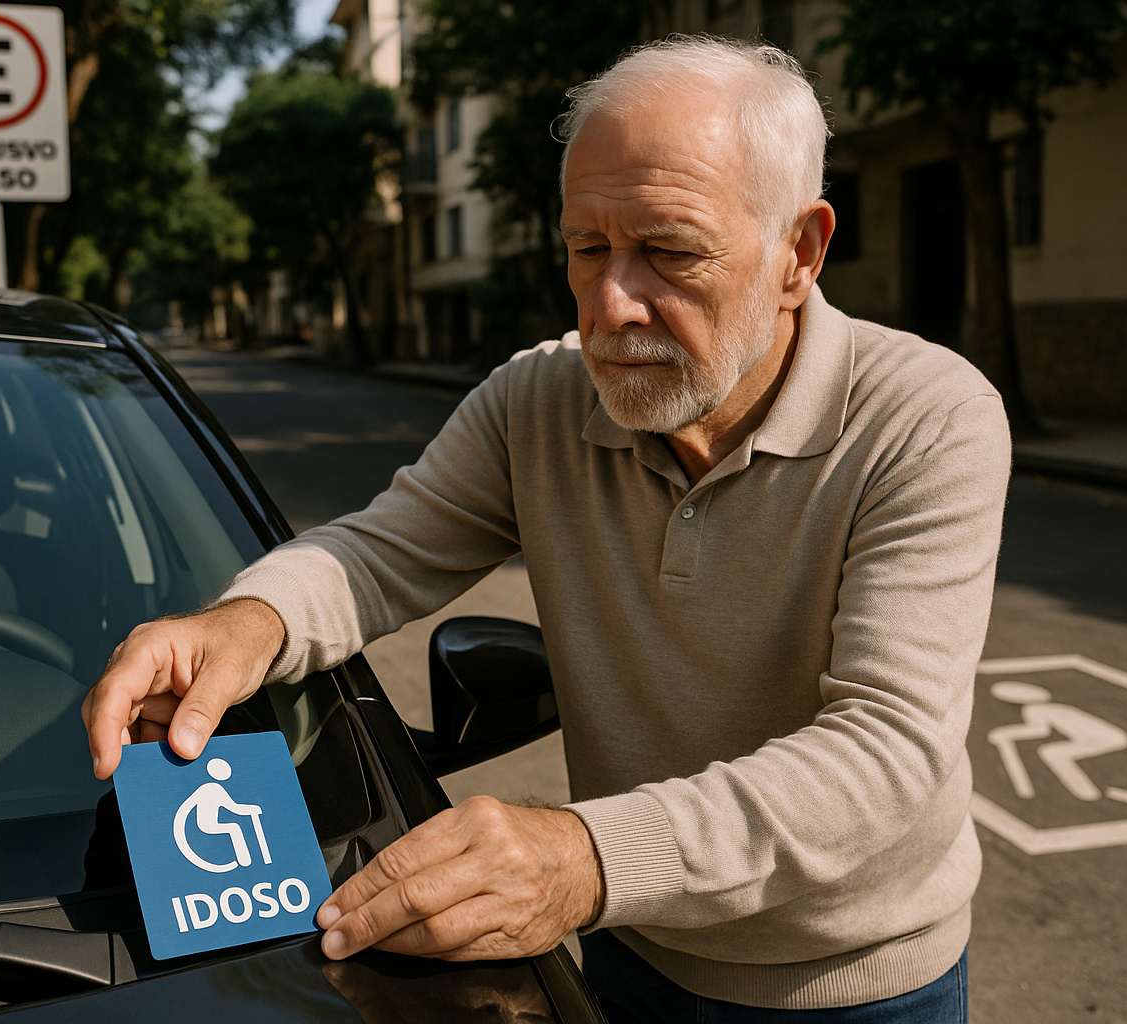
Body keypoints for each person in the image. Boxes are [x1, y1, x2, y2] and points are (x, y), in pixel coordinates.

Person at [83, 35, 1010, 1022]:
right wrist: (247, 622)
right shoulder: (537, 400)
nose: (611, 305)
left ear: (800, 253)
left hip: (859, 985)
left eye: (669, 251)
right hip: (625, 949)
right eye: (586, 248)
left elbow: (887, 752)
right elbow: (381, 550)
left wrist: (581, 857)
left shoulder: (926, 417)